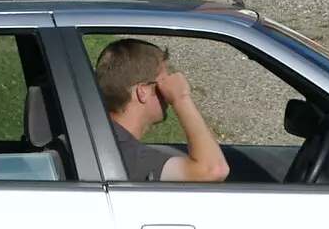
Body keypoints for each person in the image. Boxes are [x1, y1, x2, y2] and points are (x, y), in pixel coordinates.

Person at [96, 38, 230, 182]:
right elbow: (214, 169)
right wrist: (181, 98)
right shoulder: (125, 153)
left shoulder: (104, 136)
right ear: (143, 92)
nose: (167, 93)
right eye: (163, 84)